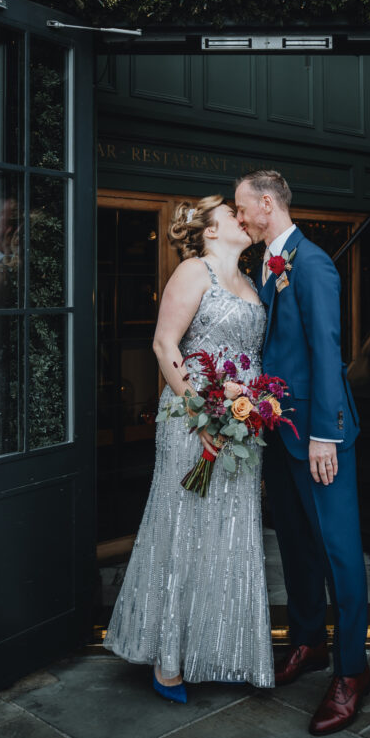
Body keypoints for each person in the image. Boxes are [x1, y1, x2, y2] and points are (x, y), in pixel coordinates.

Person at [104, 195, 274, 701]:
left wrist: (254, 407)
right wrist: (202, 411)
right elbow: (163, 345)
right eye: (231, 213)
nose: (241, 219)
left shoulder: (252, 280)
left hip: (242, 428)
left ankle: (222, 649)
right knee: (184, 530)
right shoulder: (193, 272)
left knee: (233, 535)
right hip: (191, 422)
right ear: (210, 230)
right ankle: (169, 661)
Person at [234, 169, 370, 737]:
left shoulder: (310, 264)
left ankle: (353, 673)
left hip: (317, 438)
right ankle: (309, 642)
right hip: (278, 435)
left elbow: (327, 351)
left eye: (243, 209)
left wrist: (324, 434)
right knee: (294, 547)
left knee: (339, 554)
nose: (239, 218)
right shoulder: (266, 267)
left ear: (268, 204)